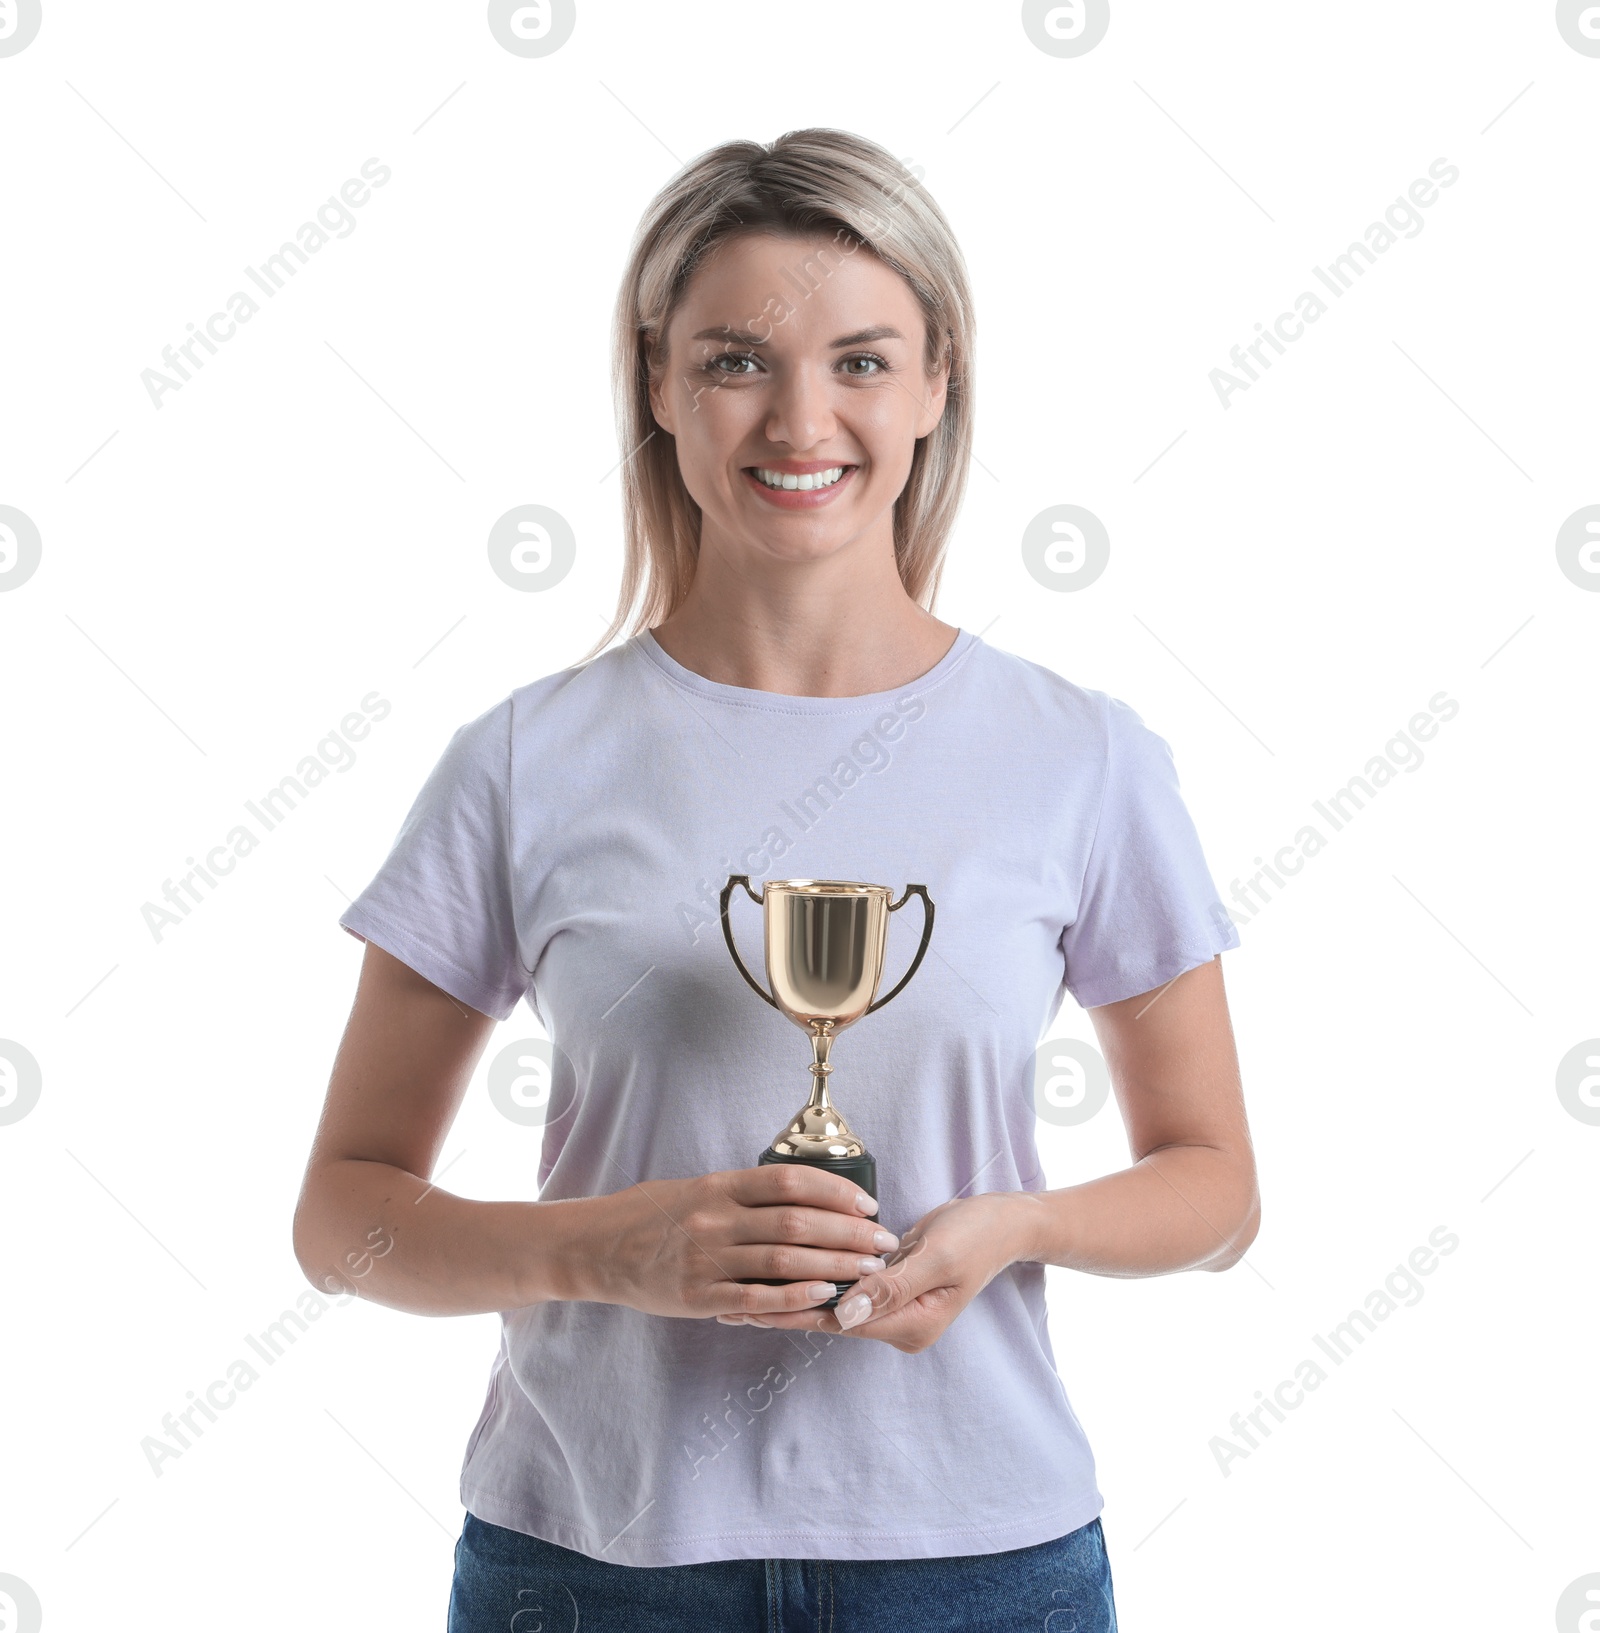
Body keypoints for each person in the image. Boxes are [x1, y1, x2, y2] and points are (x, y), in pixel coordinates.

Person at [293, 127, 1258, 1633]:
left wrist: (1016, 1224)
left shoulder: (1083, 757)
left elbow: (1218, 1191)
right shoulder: (523, 760)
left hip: (979, 1566)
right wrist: (607, 1249)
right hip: (594, 1566)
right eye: (739, 359)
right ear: (662, 386)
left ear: (939, 380)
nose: (802, 418)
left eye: (863, 361)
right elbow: (340, 1216)